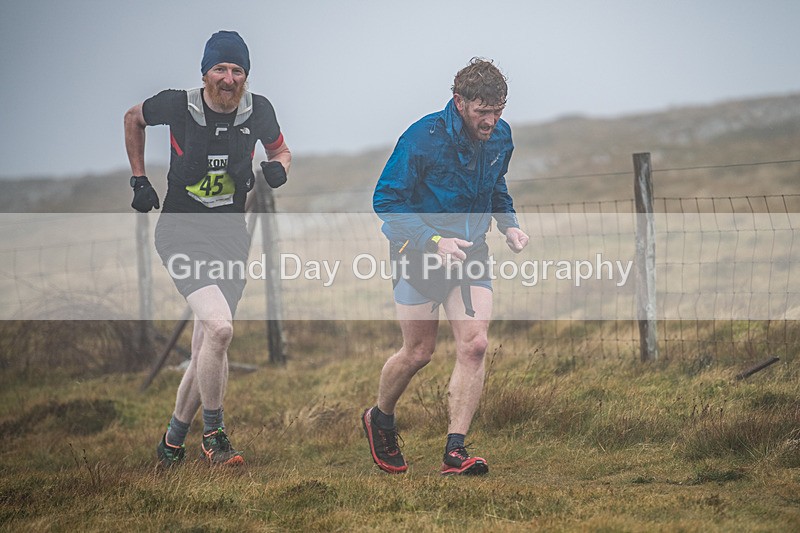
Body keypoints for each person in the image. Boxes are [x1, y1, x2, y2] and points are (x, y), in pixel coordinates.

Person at [124, 30, 291, 467]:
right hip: (181, 232)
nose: (229, 78)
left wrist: (277, 169)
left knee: (208, 347)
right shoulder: (178, 105)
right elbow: (132, 118)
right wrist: (138, 178)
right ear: (205, 73)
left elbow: (282, 150)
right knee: (220, 330)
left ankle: (171, 443)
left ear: (246, 76)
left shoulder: (260, 111)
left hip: (230, 238)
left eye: (238, 70)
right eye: (221, 68)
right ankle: (214, 435)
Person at [363, 58, 529, 476]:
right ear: (459, 102)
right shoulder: (422, 138)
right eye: (482, 111)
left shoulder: (501, 138)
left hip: (470, 254)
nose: (491, 121)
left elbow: (496, 185)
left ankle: (455, 450)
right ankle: (379, 419)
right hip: (417, 253)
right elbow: (385, 201)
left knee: (475, 345)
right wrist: (433, 240)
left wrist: (509, 226)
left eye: (498, 110)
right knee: (418, 352)